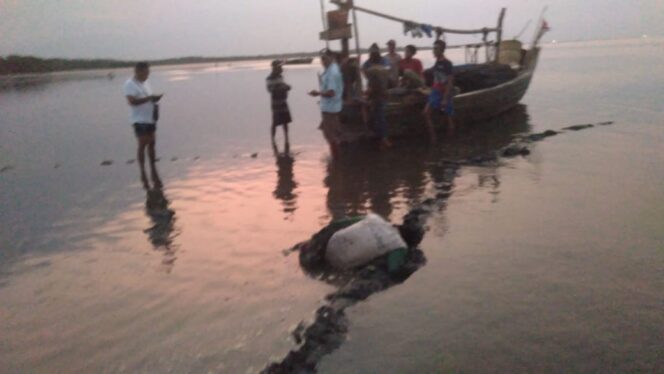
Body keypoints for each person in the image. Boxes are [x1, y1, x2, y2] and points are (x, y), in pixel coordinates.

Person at [124, 62, 163, 189]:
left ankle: (152, 166)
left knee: (152, 143)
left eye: (148, 72)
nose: (147, 75)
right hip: (139, 119)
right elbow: (132, 102)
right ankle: (142, 169)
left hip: (149, 118)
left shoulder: (145, 83)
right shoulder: (129, 84)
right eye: (146, 73)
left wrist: (154, 103)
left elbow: (148, 98)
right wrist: (149, 98)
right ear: (138, 72)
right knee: (143, 144)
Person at [309, 50, 344, 159]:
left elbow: (331, 93)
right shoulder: (330, 69)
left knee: (331, 136)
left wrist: (317, 93)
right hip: (330, 107)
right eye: (321, 59)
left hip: (330, 108)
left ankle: (336, 160)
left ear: (331, 57)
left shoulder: (332, 72)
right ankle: (336, 158)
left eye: (325, 58)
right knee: (332, 134)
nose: (323, 61)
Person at [423, 41, 456, 143]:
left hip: (444, 92)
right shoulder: (437, 62)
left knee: (448, 117)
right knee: (426, 113)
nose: (434, 50)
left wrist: (445, 98)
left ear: (441, 50)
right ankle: (433, 137)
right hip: (435, 91)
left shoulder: (447, 63)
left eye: (436, 49)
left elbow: (450, 82)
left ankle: (450, 140)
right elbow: (433, 71)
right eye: (434, 48)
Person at [266, 60, 292, 147]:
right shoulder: (269, 78)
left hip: (283, 102)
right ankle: (273, 140)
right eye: (280, 67)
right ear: (275, 67)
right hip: (276, 103)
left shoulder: (280, 76)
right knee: (274, 123)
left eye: (281, 67)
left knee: (285, 122)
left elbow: (284, 86)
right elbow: (270, 90)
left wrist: (286, 87)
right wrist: (282, 87)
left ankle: (287, 139)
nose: (282, 68)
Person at [365, 66, 391, 149]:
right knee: (380, 120)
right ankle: (383, 139)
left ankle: (384, 140)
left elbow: (371, 92)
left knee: (379, 120)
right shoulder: (381, 83)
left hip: (377, 102)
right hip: (380, 101)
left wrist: (367, 94)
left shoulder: (374, 83)